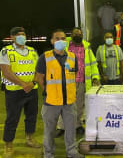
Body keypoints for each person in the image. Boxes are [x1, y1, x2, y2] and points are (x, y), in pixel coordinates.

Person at [36, 29, 83, 158]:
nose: (60, 41)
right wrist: (46, 90)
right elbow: (39, 76)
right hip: (51, 101)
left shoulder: (73, 57)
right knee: (49, 130)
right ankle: (49, 154)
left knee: (70, 129)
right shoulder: (44, 57)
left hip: (69, 101)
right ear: (52, 41)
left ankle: (72, 152)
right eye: (57, 38)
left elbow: (73, 74)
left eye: (63, 38)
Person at [0, 27, 41, 158]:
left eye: (23, 35)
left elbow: (38, 70)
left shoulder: (32, 51)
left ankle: (30, 139)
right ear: (12, 37)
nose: (22, 37)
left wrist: (32, 83)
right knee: (12, 118)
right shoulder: (6, 51)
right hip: (14, 91)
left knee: (31, 116)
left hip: (32, 90)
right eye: (18, 35)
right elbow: (6, 72)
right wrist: (23, 84)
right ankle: (8, 145)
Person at [55, 27, 100, 137]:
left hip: (81, 81)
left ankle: (77, 125)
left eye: (80, 34)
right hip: (67, 81)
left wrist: (95, 77)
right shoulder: (64, 46)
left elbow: (93, 64)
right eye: (76, 33)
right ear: (71, 34)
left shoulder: (87, 48)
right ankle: (61, 127)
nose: (78, 35)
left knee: (79, 106)